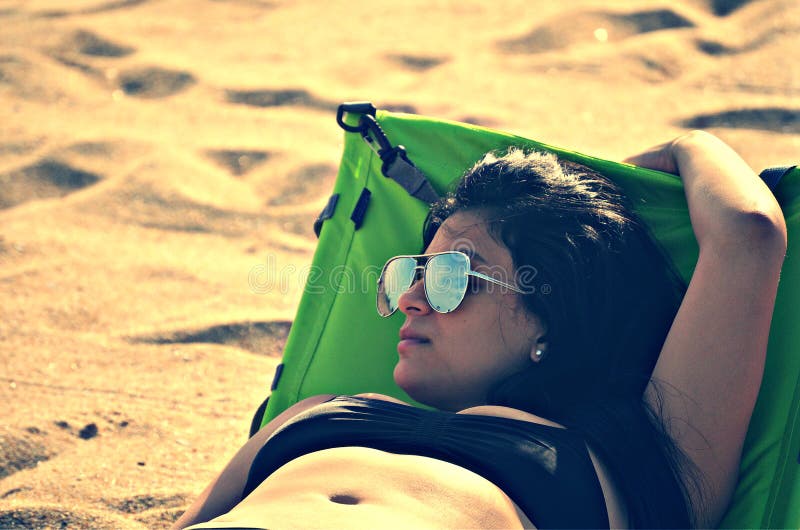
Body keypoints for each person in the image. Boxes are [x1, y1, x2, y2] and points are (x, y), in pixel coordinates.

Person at [173, 131, 787, 529]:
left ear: (552, 315)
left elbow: (748, 235)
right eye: (411, 274)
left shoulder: (640, 460)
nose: (412, 299)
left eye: (450, 277)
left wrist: (684, 146)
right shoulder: (311, 411)